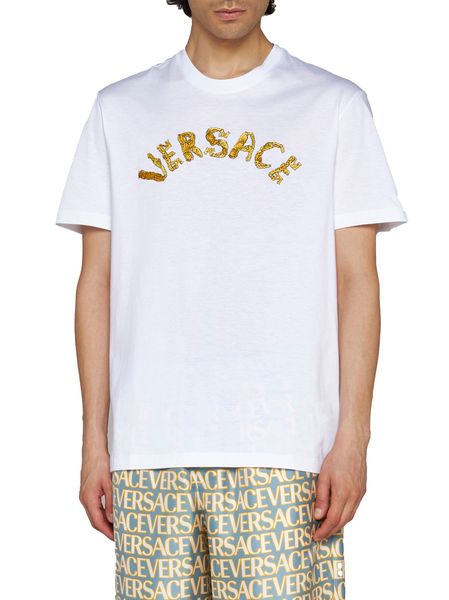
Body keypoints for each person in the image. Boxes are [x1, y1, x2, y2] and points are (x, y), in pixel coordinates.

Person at [55, 1, 407, 598]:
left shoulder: (334, 105)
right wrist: (94, 443)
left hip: (287, 447)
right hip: (148, 447)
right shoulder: (121, 109)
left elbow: (357, 280)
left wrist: (354, 439)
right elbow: (97, 280)